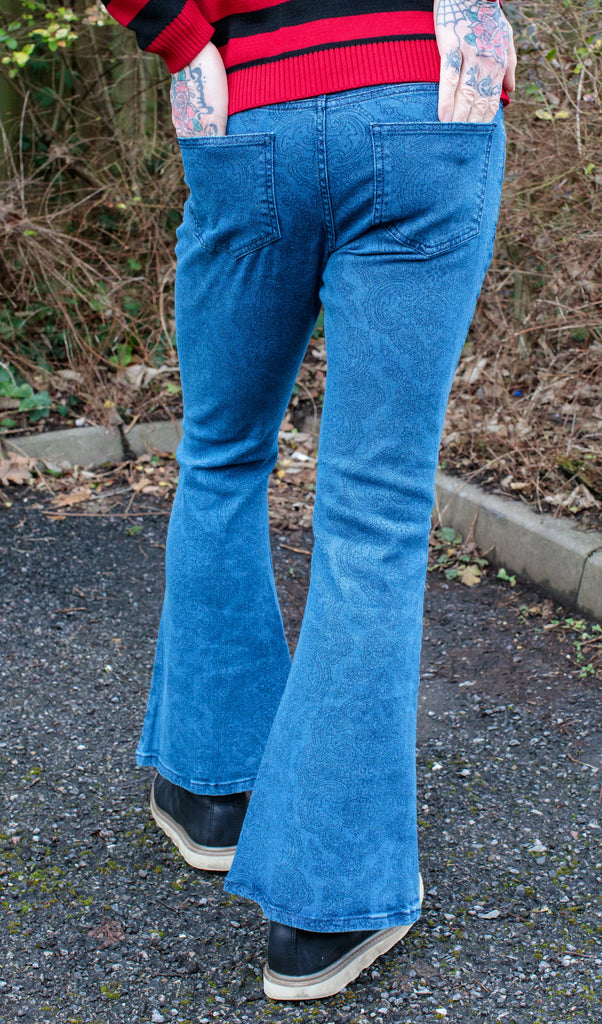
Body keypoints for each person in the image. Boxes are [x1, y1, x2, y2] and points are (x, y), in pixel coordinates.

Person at [104, 0, 516, 1002]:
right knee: (372, 513)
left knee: (220, 453)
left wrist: (178, 35)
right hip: (424, 97)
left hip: (250, 105)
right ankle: (321, 909)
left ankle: (208, 789)